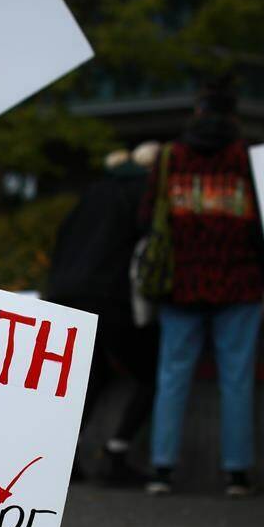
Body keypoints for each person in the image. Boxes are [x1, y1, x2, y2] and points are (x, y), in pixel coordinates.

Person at [142, 77, 264, 497]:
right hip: (239, 279)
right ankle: (237, 473)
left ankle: (162, 468)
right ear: (233, 115)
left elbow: (147, 216)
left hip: (182, 280)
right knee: (237, 378)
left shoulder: (170, 156)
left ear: (197, 113)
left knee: (172, 374)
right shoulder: (247, 158)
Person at [46, 142, 161, 485]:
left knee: (91, 375)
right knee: (153, 372)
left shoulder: (94, 191)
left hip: (65, 292)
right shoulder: (144, 195)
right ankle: (116, 452)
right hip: (110, 296)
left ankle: (64, 456)